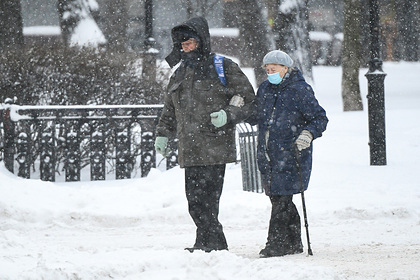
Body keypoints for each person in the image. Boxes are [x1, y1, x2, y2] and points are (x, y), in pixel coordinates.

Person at [154, 16, 255, 253]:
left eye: (189, 42)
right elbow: (170, 108)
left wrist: (228, 114)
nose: (185, 47)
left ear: (201, 40)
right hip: (190, 148)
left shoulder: (223, 66)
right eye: (182, 44)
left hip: (215, 146)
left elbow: (248, 100)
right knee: (195, 201)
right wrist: (163, 134)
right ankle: (207, 243)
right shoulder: (179, 73)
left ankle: (214, 245)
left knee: (208, 201)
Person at [249, 50, 328, 258]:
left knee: (282, 198)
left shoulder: (299, 90)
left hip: (291, 154)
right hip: (268, 155)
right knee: (278, 198)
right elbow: (256, 115)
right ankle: (293, 242)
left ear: (286, 69)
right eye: (267, 69)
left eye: (274, 68)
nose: (270, 72)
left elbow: (320, 118)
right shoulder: (265, 89)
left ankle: (275, 244)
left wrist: (307, 134)